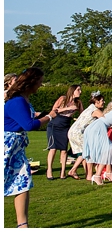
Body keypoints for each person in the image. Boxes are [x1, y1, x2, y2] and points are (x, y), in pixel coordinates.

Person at [5, 67, 59, 228]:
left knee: (23, 182)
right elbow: (29, 125)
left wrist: (53, 112)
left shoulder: (24, 99)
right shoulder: (17, 101)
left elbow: (29, 120)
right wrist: (50, 116)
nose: (40, 86)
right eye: (39, 82)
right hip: (6, 146)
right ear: (31, 82)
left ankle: (22, 224)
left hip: (17, 148)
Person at [45, 84, 82, 180]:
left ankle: (63, 172)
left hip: (65, 126)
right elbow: (53, 110)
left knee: (64, 150)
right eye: (78, 90)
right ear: (72, 91)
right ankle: (49, 171)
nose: (80, 92)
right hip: (55, 124)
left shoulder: (78, 102)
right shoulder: (62, 99)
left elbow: (82, 115)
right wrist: (68, 108)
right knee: (53, 148)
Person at [66, 90, 104, 180]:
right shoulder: (96, 111)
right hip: (79, 133)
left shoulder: (89, 108)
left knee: (83, 153)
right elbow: (106, 120)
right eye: (102, 100)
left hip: (72, 132)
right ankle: (76, 171)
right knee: (87, 152)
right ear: (97, 101)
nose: (104, 102)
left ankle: (86, 173)